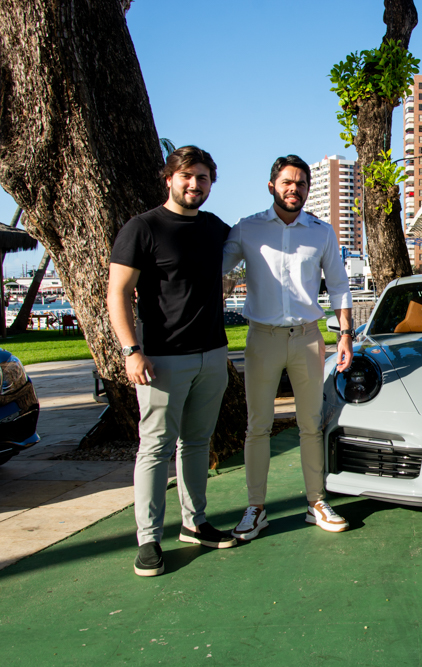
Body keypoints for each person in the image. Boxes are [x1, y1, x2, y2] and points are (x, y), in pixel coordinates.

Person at [108, 145, 236, 578]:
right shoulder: (142, 228)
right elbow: (118, 293)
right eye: (186, 176)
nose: (194, 184)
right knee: (156, 447)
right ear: (169, 178)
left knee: (198, 443)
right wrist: (131, 350)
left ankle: (194, 522)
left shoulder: (216, 228)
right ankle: (148, 539)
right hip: (161, 359)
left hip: (213, 355)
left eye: (202, 178)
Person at [224, 155, 354, 540]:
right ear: (271, 186)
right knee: (258, 426)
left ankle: (316, 502)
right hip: (261, 338)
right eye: (286, 182)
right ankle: (255, 508)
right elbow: (212, 268)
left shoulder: (321, 231)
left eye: (300, 183)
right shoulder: (247, 229)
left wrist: (344, 334)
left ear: (307, 189)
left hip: (308, 338)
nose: (293, 188)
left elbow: (340, 285)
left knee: (311, 424)